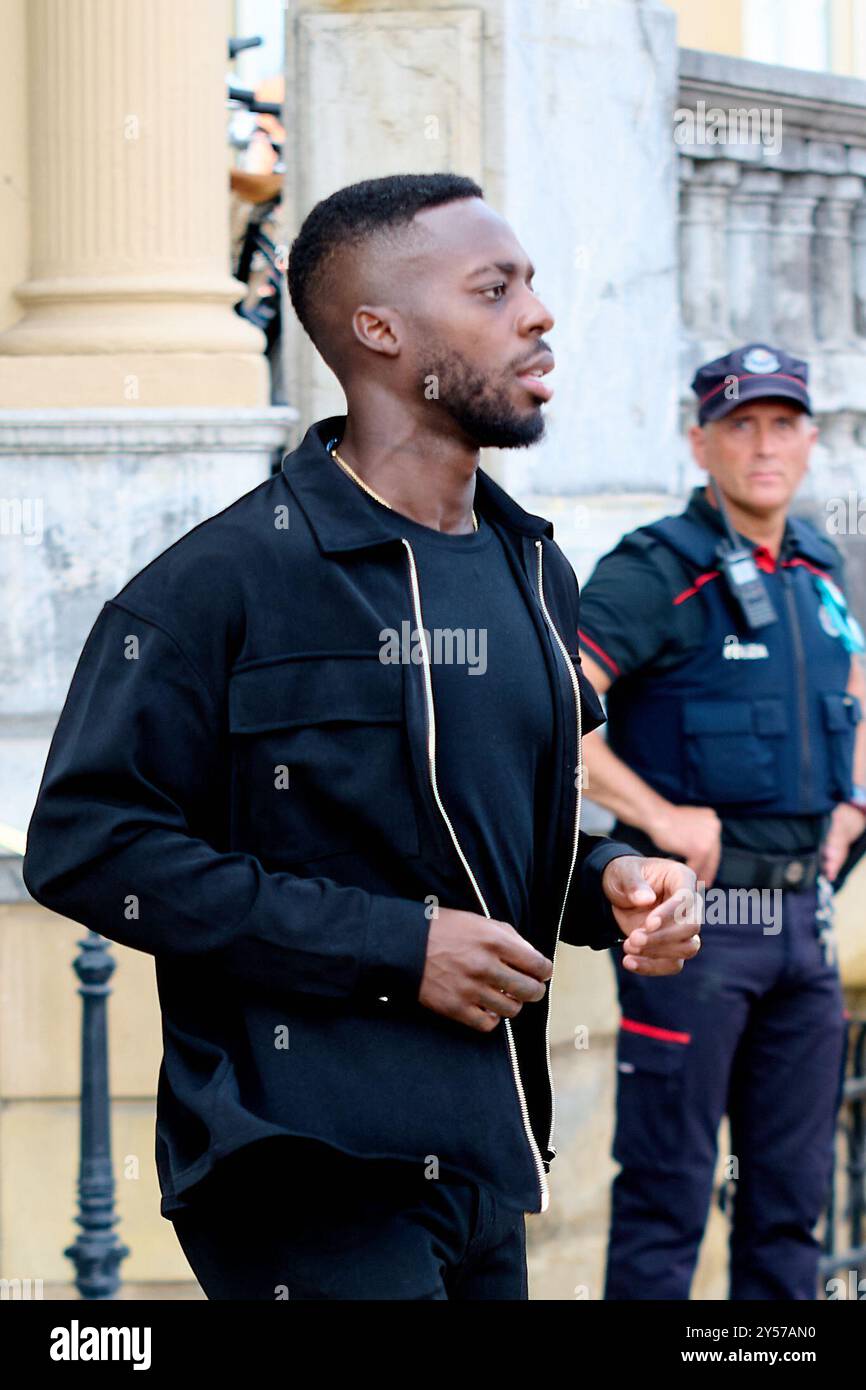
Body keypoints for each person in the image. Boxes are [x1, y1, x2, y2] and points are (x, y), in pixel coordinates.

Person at [22, 173, 701, 1302]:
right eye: (494, 289)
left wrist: (613, 877)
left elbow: (504, 819)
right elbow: (89, 848)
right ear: (380, 331)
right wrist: (395, 948)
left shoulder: (533, 567)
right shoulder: (218, 584)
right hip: (296, 1157)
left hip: (486, 1152)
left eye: (529, 282)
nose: (537, 313)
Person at [576, 342, 866, 1301]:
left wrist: (854, 804)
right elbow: (546, 713)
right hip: (696, 931)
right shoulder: (658, 568)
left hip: (805, 932)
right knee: (666, 1199)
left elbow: (855, 696)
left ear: (812, 440)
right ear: (701, 442)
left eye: (783, 424)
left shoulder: (823, 570)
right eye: (740, 425)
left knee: (789, 1210)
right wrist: (655, 814)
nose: (764, 445)